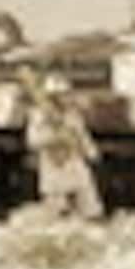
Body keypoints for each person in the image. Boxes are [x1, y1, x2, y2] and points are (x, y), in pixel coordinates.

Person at [24, 72, 104, 219]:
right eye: (61, 95)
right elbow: (32, 141)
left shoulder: (72, 115)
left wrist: (90, 151)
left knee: (88, 200)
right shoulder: (40, 117)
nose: (65, 98)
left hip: (74, 163)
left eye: (66, 94)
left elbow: (81, 134)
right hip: (54, 166)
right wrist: (55, 138)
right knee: (57, 208)